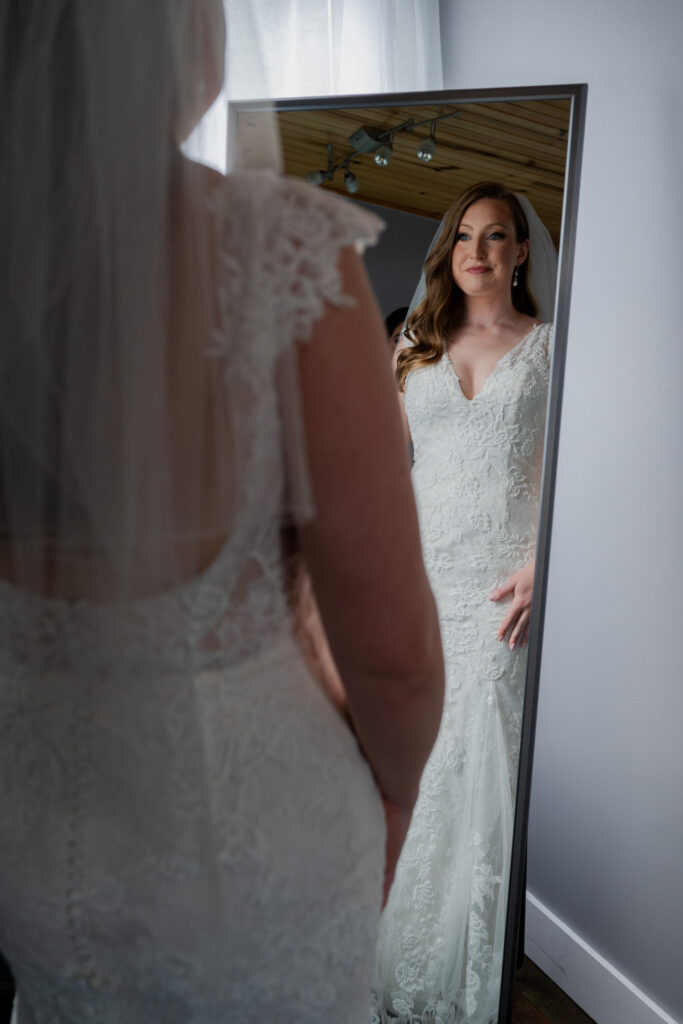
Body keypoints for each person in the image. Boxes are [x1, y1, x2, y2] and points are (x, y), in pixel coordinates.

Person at [0, 4, 444, 1022]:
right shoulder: (274, 247)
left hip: (27, 841)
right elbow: (394, 656)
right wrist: (397, 793)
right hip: (256, 851)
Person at [373, 182, 555, 1024]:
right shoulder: (414, 342)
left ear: (521, 254)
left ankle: (460, 971)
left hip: (499, 585)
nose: (477, 251)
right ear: (448, 252)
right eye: (463, 238)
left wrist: (541, 559)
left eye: (496, 237)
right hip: (419, 575)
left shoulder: (551, 349)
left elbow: (571, 466)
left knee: (477, 761)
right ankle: (380, 955)